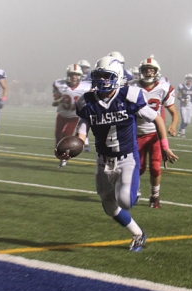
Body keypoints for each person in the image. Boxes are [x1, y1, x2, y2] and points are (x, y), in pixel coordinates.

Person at [56, 56, 178, 252]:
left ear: (118, 77)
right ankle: (138, 234)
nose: (102, 80)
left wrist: (164, 146)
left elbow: (157, 118)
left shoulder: (129, 96)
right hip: (103, 160)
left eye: (107, 76)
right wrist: (73, 146)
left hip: (127, 158)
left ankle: (134, 193)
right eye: (99, 76)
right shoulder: (87, 102)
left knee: (124, 200)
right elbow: (83, 126)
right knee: (110, 207)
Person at [131, 57, 178, 208]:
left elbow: (174, 113)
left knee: (155, 166)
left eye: (151, 70)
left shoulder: (164, 88)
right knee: (139, 167)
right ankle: (135, 191)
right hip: (136, 133)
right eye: (146, 70)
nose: (149, 72)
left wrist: (173, 125)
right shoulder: (132, 88)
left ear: (157, 72)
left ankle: (155, 196)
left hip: (155, 133)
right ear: (141, 72)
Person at [52, 63, 91, 168]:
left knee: (65, 134)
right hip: (61, 115)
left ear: (80, 76)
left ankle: (64, 158)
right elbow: (54, 103)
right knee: (58, 137)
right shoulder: (60, 85)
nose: (74, 77)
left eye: (77, 74)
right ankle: (62, 156)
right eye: (72, 74)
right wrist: (60, 100)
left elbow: (93, 97)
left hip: (74, 117)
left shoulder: (86, 87)